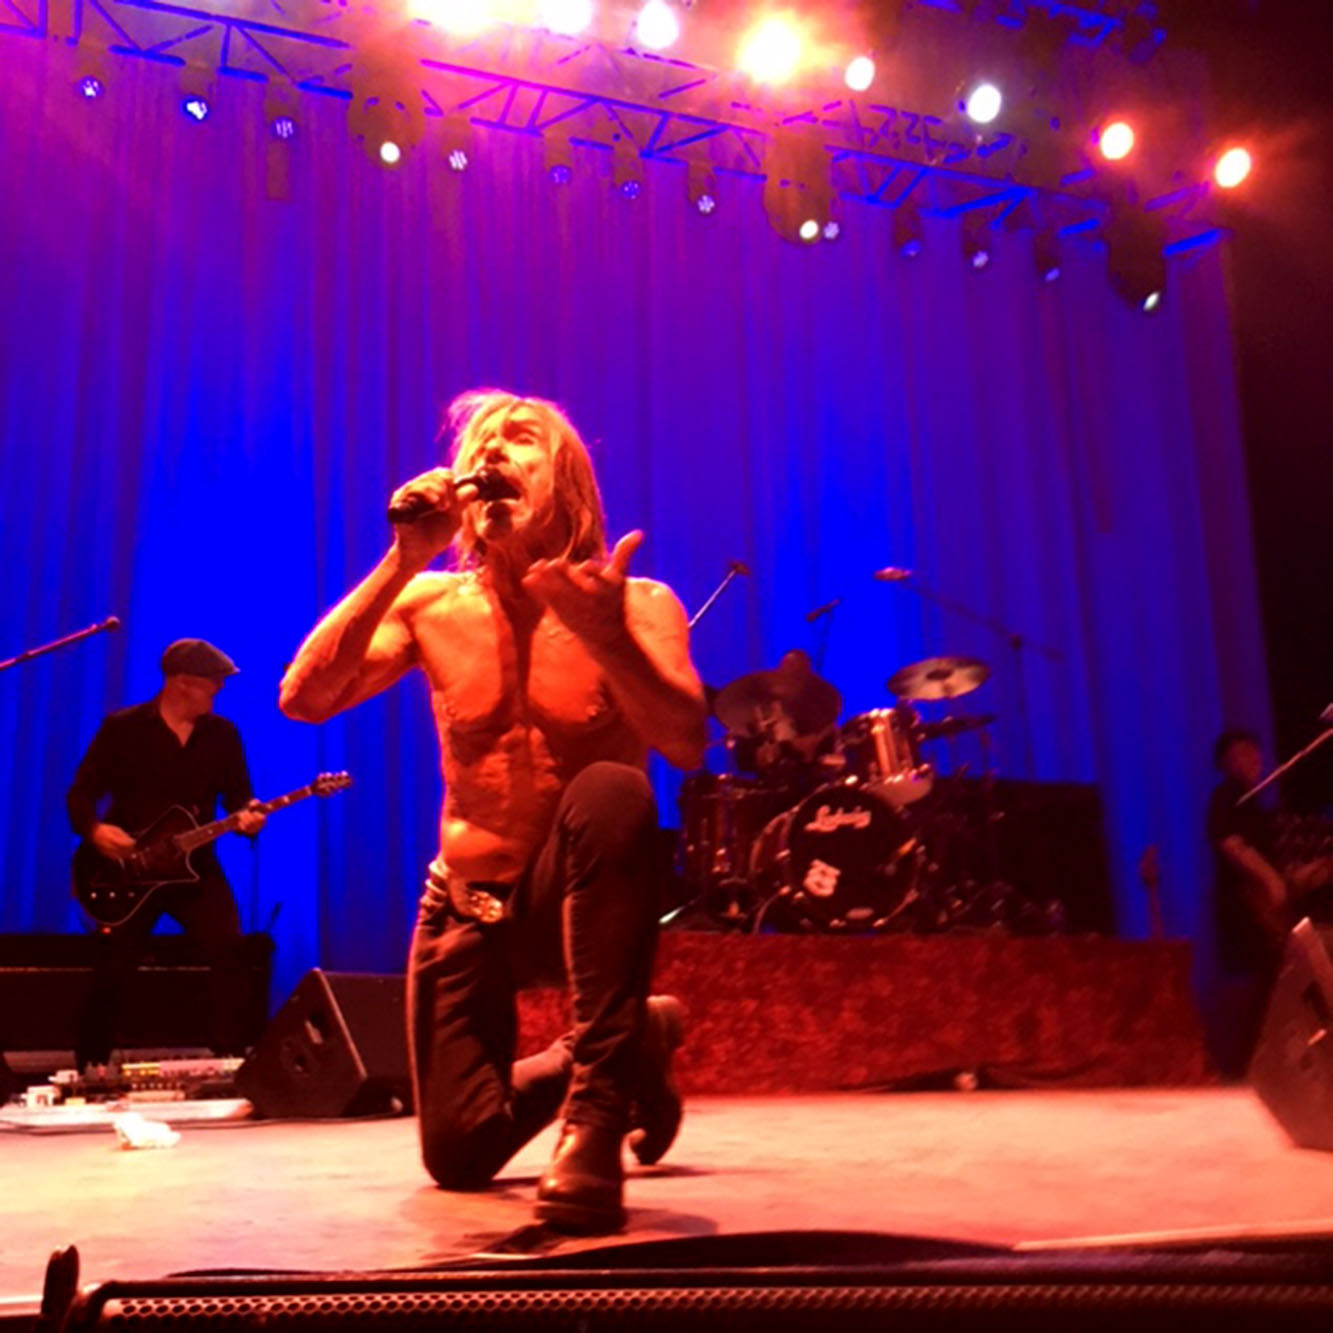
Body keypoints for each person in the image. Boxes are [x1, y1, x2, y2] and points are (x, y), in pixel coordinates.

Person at [279, 390, 708, 1233]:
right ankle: (636, 1036)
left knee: (613, 789)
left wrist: (607, 637)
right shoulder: (431, 604)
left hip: (576, 895)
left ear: (568, 483)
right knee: (460, 1154)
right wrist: (402, 559)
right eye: (481, 443)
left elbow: (686, 740)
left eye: (521, 439)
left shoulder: (635, 603)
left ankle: (595, 1115)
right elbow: (304, 699)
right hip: (468, 901)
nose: (493, 452)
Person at [66, 639, 267, 1073]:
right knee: (113, 961)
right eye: (212, 683)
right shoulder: (123, 728)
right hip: (128, 870)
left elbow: (239, 798)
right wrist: (95, 831)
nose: (218, 691)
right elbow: (80, 793)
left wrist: (248, 817)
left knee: (229, 950)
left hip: (195, 869)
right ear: (182, 683)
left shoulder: (223, 735)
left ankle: (232, 1058)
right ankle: (91, 1062)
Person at [1206, 728, 1287, 1077]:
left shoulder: (1255, 801)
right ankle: (1246, 1066)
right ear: (1225, 761)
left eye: (1254, 752)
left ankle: (1264, 1064)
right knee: (1255, 984)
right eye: (1242, 753)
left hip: (1261, 905)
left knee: (1270, 981)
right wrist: (1270, 880)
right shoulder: (1226, 797)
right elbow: (1228, 841)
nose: (1252, 759)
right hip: (1244, 904)